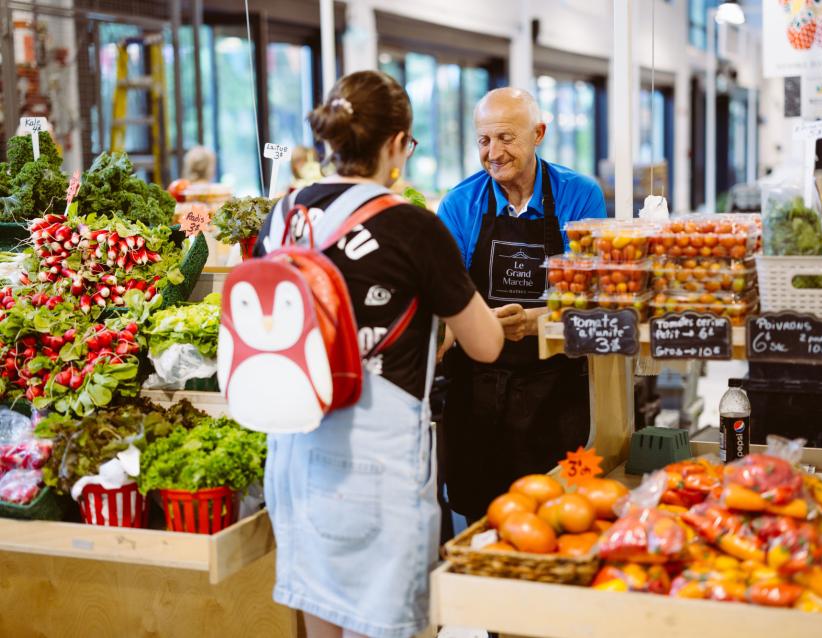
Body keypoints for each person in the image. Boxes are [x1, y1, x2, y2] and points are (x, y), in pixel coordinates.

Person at [255, 71, 504, 638]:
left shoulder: (284, 215)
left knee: (321, 615)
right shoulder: (412, 227)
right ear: (395, 144)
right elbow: (486, 344)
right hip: (377, 457)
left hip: (295, 451)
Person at [437, 87, 607, 520]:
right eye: (483, 140)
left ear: (539, 134)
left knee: (572, 507)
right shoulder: (460, 203)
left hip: (562, 391)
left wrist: (534, 321)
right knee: (482, 514)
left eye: (506, 138)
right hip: (477, 391)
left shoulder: (580, 196)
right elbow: (445, 292)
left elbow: (597, 295)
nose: (494, 152)